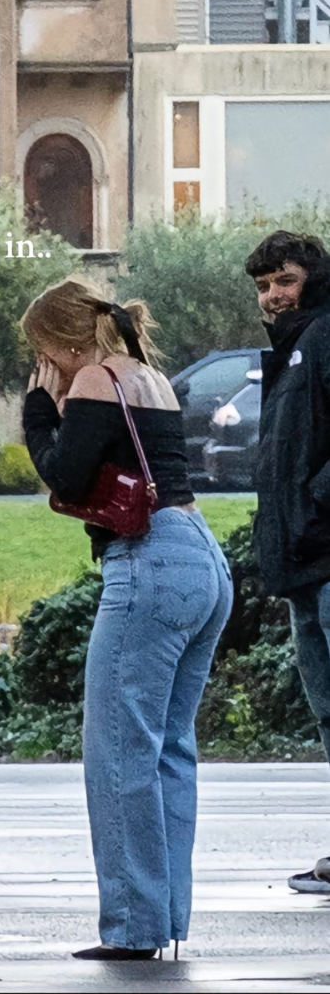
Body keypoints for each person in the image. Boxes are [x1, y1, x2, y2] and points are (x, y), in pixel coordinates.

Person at [21, 277, 232, 959]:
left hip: (147, 564)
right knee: (170, 748)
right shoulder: (150, 375)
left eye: (42, 350)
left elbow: (65, 476)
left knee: (118, 750)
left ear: (62, 342)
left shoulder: (93, 382)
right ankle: (164, 916)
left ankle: (134, 928)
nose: (43, 363)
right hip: (201, 556)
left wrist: (36, 407)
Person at [243, 230, 330, 895]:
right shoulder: (296, 347)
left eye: (285, 280)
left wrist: (313, 509)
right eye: (264, 285)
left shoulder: (324, 338)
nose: (273, 295)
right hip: (306, 563)